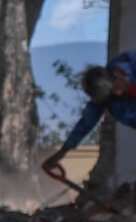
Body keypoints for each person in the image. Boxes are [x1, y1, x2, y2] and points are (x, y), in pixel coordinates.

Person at [43, 54, 136, 188]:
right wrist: (61, 153)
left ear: (118, 76)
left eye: (117, 88)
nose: (119, 94)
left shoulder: (132, 64)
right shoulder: (108, 96)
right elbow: (86, 123)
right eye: (112, 94)